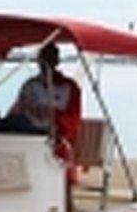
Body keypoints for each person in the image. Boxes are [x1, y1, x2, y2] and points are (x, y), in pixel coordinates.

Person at [7, 42, 82, 188]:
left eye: (49, 59)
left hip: (58, 140)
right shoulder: (30, 85)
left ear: (57, 61)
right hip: (29, 137)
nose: (44, 63)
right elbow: (17, 110)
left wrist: (54, 117)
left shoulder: (69, 87)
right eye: (42, 59)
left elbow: (73, 117)